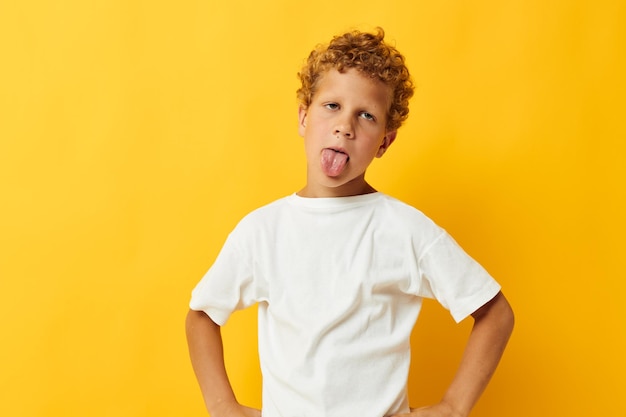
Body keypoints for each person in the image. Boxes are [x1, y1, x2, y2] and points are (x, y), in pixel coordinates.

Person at [185, 28, 514, 417]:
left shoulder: (405, 230)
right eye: (332, 106)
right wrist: (222, 405)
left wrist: (454, 406)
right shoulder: (262, 231)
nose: (345, 126)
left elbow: (495, 313)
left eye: (366, 115)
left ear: (384, 143)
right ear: (304, 117)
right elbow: (202, 314)